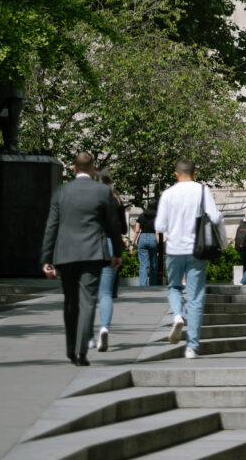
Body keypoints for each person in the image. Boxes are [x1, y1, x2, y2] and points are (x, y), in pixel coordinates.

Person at [40, 151, 123, 367]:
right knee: (88, 301)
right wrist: (117, 254)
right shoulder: (103, 191)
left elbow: (52, 226)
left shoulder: (61, 191)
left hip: (66, 254)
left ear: (74, 168)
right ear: (92, 168)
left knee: (70, 301)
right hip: (94, 253)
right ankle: (81, 350)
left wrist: (46, 259)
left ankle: (70, 349)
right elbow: (113, 226)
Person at [155, 158, 224, 360]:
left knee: (174, 287)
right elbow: (215, 216)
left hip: (175, 248)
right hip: (197, 249)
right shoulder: (202, 190)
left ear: (175, 174)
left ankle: (177, 315)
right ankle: (191, 347)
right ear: (195, 173)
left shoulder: (168, 194)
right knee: (195, 297)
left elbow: (159, 226)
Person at [92, 170, 128, 353]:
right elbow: (122, 228)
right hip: (109, 246)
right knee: (105, 293)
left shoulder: (89, 198)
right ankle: (104, 328)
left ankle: (89, 337)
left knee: (88, 292)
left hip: (89, 246)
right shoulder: (116, 200)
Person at [133, 204, 159, 287]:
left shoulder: (141, 216)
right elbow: (157, 232)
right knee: (153, 263)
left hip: (143, 238)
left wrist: (132, 242)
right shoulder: (157, 217)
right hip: (153, 238)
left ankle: (142, 285)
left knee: (143, 264)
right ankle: (153, 284)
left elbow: (137, 231)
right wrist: (158, 245)